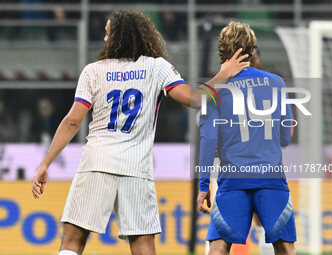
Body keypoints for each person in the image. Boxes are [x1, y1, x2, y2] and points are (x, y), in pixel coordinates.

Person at [32, 10, 249, 255]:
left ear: (118, 38)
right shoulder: (156, 67)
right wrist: (224, 74)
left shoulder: (93, 71)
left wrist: (45, 163)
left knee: (72, 243)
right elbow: (195, 99)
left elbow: (72, 122)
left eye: (107, 34)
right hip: (136, 168)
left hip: (96, 162)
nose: (105, 39)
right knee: (143, 247)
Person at [197, 21, 296, 255]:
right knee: (285, 249)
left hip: (233, 180)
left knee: (218, 248)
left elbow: (209, 140)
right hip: (271, 178)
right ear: (252, 50)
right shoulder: (276, 83)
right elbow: (284, 137)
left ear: (222, 51)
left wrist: (203, 185)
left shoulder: (214, 90)